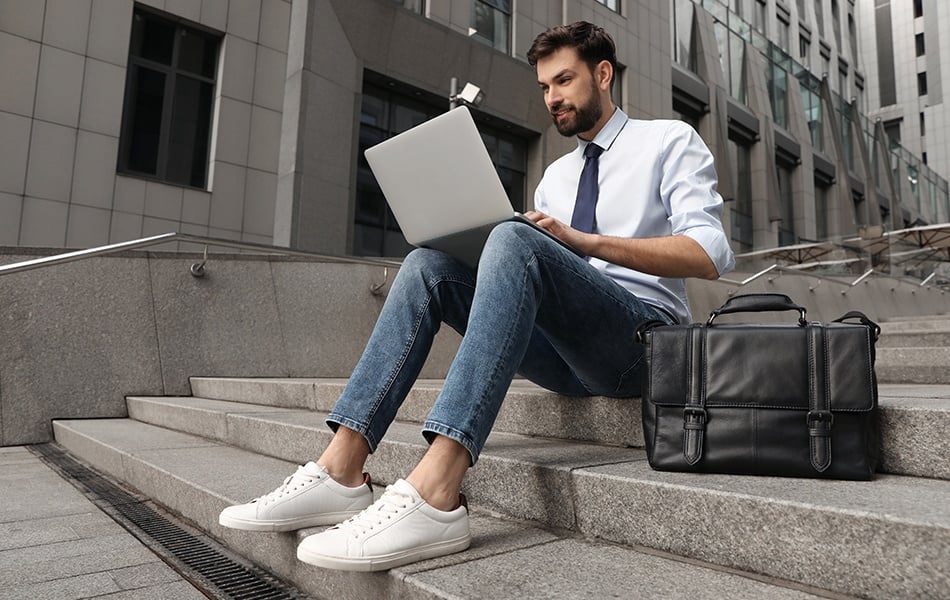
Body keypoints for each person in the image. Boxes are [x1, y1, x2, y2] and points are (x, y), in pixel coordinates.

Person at [218, 21, 734, 572]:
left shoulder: (668, 141)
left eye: (563, 81)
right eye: (544, 88)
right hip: (565, 355)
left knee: (516, 238)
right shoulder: (556, 177)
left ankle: (439, 490)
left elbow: (710, 252)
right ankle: (343, 468)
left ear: (603, 74)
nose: (552, 98)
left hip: (641, 342)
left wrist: (582, 242)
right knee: (427, 266)